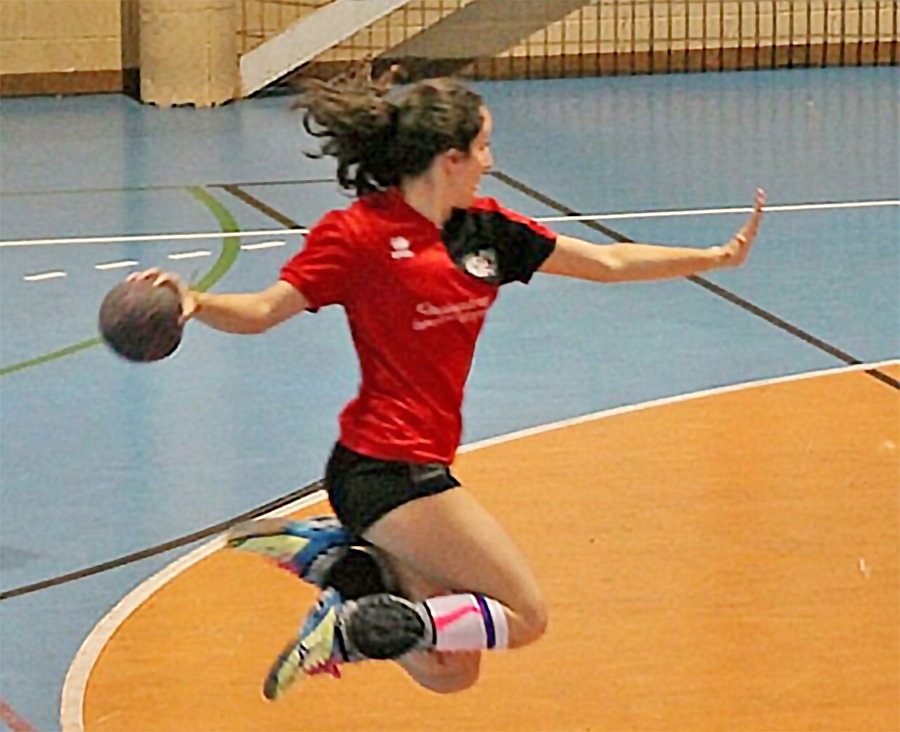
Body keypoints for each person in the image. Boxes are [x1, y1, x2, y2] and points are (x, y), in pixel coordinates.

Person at [129, 70, 765, 701]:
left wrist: (714, 257)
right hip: (383, 468)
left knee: (451, 667)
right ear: (449, 158)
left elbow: (606, 263)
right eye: (482, 148)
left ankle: (353, 572)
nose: (490, 162)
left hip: (417, 464)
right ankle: (352, 623)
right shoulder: (357, 236)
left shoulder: (485, 231)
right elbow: (266, 310)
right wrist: (196, 299)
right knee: (525, 617)